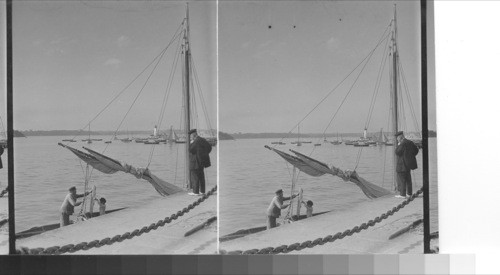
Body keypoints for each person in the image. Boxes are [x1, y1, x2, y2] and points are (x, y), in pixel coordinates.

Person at [394, 131, 419, 198]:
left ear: (400, 137)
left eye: (397, 138)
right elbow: (416, 150)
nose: (397, 139)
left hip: (402, 164)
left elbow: (397, 152)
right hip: (408, 164)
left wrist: (399, 145)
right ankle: (409, 193)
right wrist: (409, 157)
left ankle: (402, 194)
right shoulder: (410, 142)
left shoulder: (402, 143)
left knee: (402, 179)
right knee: (408, 179)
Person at [188, 129, 212, 196]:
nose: (190, 138)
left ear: (193, 135)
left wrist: (192, 142)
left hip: (195, 162)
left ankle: (195, 192)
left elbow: (191, 149)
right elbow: (209, 147)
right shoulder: (202, 140)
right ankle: (202, 191)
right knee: (201, 176)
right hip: (201, 162)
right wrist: (203, 155)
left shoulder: (196, 141)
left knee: (194, 176)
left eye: (191, 136)